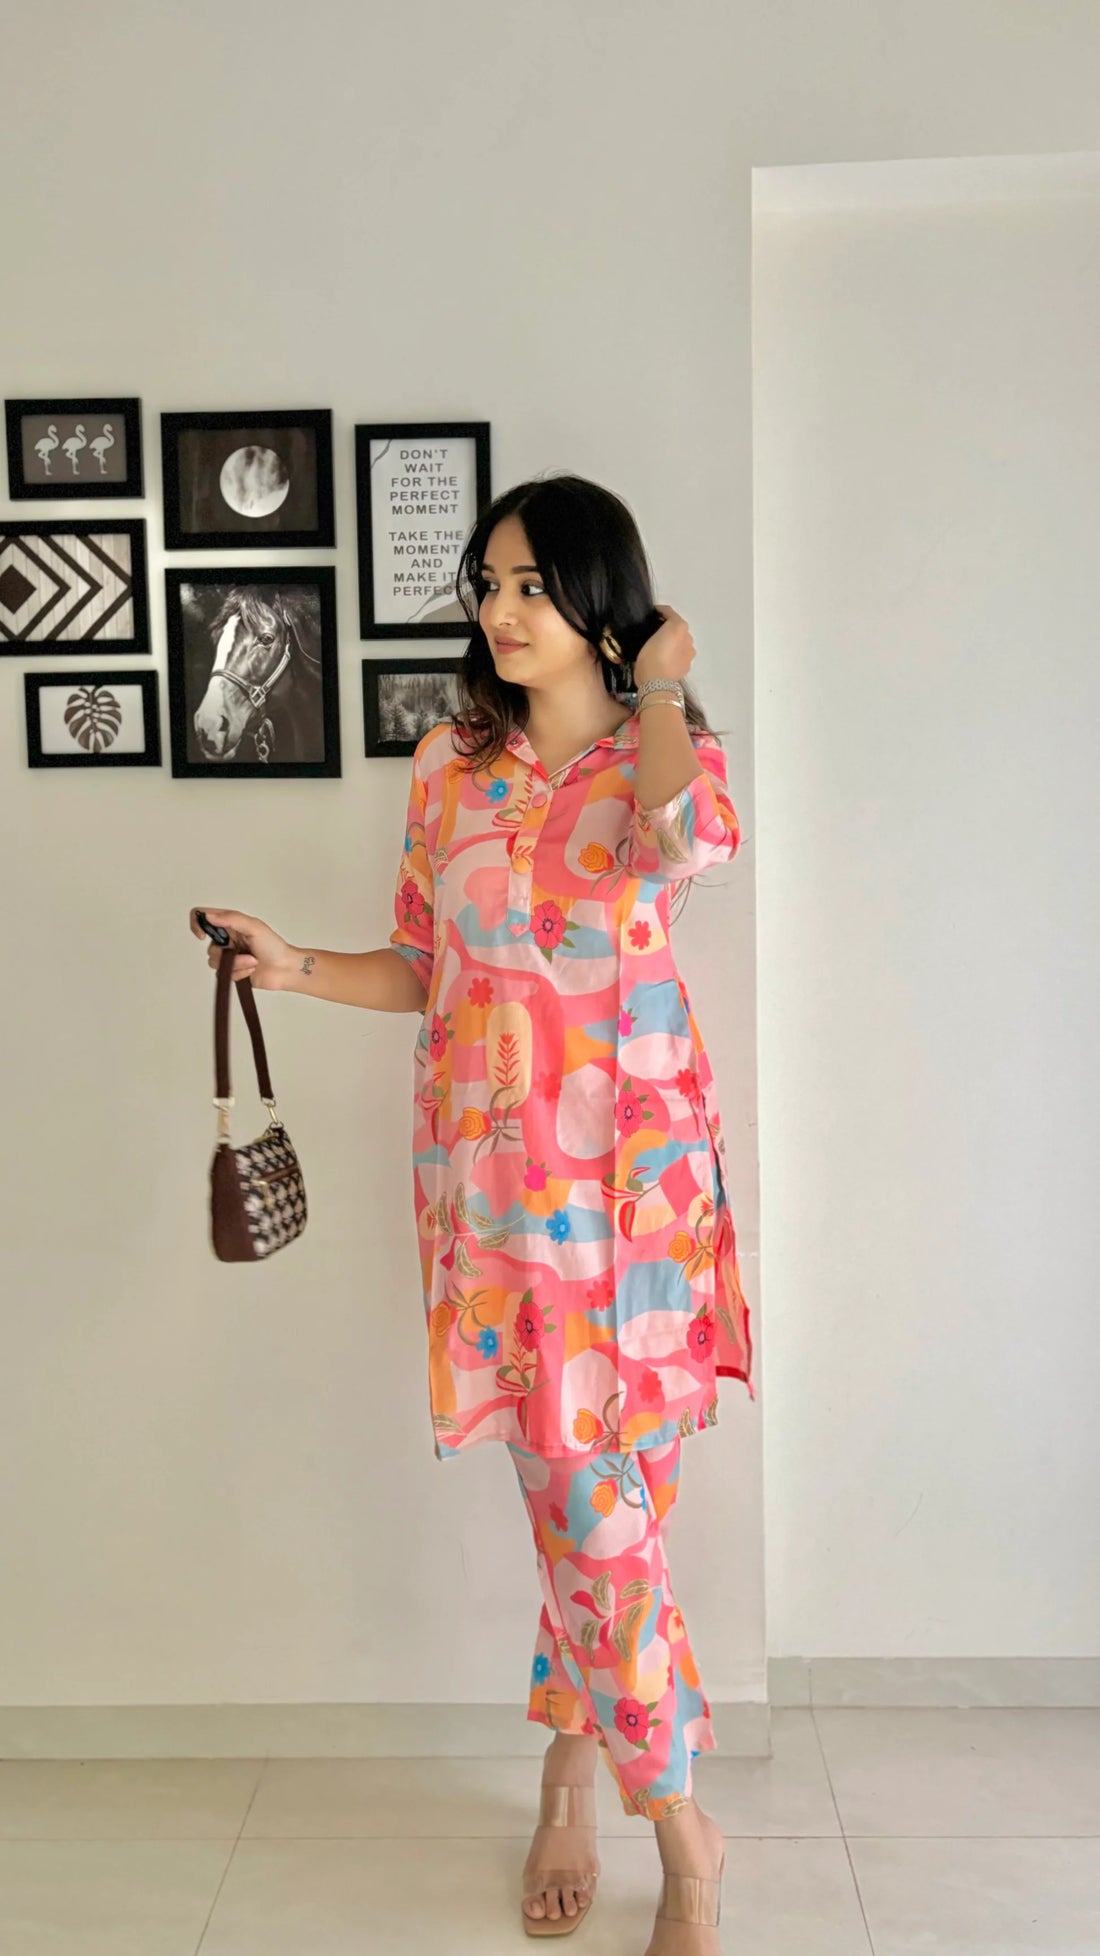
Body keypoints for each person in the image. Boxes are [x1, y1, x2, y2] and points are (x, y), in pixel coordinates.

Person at [189, 472, 754, 1954]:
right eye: (487, 586)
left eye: (531, 586)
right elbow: (422, 964)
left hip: (647, 1201)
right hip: (501, 1205)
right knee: (590, 1514)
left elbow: (691, 839)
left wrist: (663, 679)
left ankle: (581, 1782)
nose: (500, 611)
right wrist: (294, 967)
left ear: (600, 600)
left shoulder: (661, 749)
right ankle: (679, 1827)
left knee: (615, 1514)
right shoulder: (451, 764)